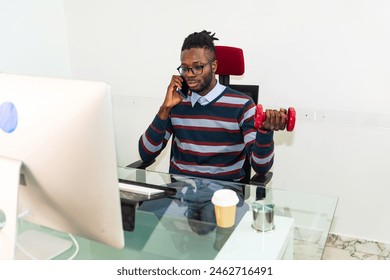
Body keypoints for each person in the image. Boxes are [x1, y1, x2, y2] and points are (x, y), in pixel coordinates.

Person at [138, 30, 287, 183]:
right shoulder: (177, 103)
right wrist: (165, 108)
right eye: (184, 68)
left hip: (224, 195)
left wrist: (265, 132)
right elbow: (146, 154)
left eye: (197, 67)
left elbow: (261, 167)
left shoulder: (243, 105)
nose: (189, 74)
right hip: (179, 194)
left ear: (214, 66)